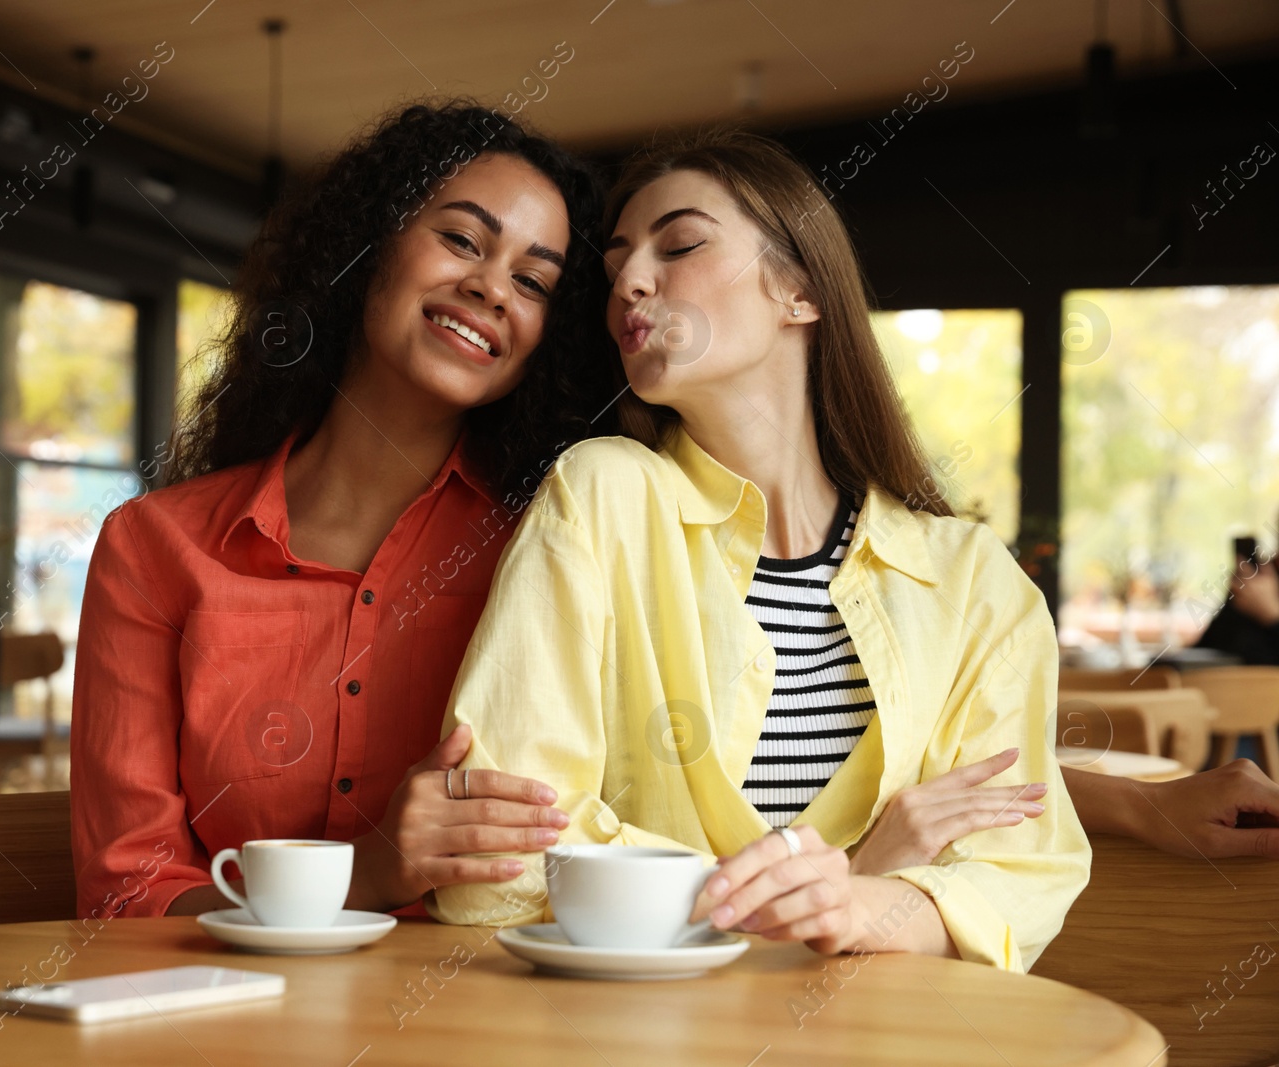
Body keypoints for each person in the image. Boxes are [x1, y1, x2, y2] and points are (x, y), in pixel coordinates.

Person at [427, 126, 1089, 972]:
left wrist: (836, 899)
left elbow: (1021, 873)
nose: (629, 280)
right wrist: (854, 880)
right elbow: (497, 869)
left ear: (800, 291)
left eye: (682, 245)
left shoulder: (971, 582)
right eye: (615, 265)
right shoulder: (598, 498)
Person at [68, 101, 620, 921]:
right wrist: (368, 875)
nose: (489, 288)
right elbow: (126, 895)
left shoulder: (547, 550)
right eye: (462, 240)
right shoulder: (152, 549)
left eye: (532, 281)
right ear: (369, 246)